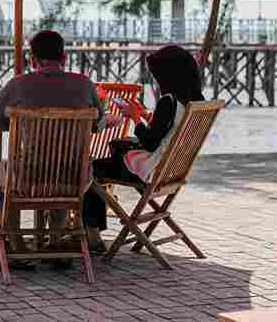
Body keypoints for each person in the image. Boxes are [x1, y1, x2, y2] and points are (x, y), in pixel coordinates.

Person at [0, 30, 119, 266]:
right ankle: (55, 244)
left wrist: (9, 117)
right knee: (63, 167)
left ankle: (15, 247)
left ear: (32, 59)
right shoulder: (84, 85)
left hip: (29, 178)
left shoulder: (19, 85)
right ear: (64, 57)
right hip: (75, 178)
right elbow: (100, 122)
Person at [83, 45, 205, 252]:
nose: (155, 80)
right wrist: (146, 115)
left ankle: (92, 234)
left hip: (152, 171)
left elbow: (149, 142)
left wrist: (133, 117)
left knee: (90, 169)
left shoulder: (168, 101)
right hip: (172, 172)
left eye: (157, 75)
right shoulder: (194, 100)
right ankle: (93, 230)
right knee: (108, 159)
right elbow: (168, 129)